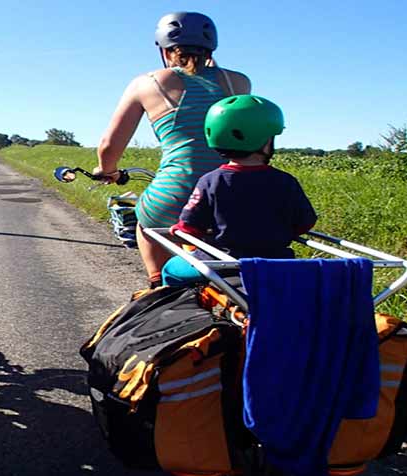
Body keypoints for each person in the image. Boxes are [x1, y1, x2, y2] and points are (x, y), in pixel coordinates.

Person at [91, 12, 252, 288]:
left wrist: (107, 171)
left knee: (144, 220)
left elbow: (108, 146)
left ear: (163, 50)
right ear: (211, 48)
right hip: (235, 192)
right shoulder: (238, 82)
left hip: (175, 193)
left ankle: (158, 288)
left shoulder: (147, 83)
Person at [175, 95, 316, 259]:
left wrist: (179, 229)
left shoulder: (210, 181)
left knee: (170, 270)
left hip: (223, 263)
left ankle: (158, 282)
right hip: (276, 263)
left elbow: (189, 226)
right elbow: (305, 223)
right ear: (265, 140)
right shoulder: (286, 181)